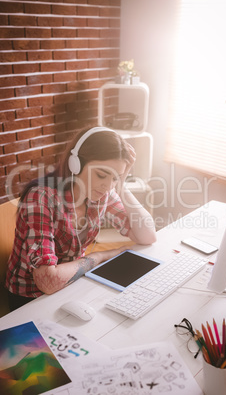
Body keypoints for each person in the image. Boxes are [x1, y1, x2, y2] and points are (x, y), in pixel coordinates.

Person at [5, 126, 156, 311]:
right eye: (101, 174)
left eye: (114, 177)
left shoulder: (102, 193)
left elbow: (147, 235)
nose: (107, 186)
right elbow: (48, 282)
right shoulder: (41, 198)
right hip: (31, 298)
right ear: (75, 164)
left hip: (70, 284)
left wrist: (121, 184)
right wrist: (100, 256)